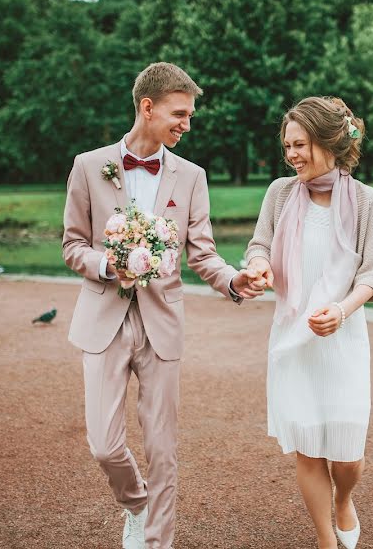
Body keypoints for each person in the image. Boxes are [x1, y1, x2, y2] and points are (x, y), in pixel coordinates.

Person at [62, 62, 264, 549]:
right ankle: (137, 503)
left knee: (162, 448)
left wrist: (234, 280)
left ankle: (157, 541)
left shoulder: (192, 176)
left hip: (163, 324)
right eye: (180, 113)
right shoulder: (89, 166)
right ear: (147, 107)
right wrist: (110, 265)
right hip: (103, 319)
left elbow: (202, 251)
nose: (187, 125)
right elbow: (72, 246)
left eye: (190, 116)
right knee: (104, 445)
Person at [245, 96, 373, 549]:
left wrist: (342, 311)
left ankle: (344, 498)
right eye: (287, 145)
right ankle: (326, 539)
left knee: (347, 455)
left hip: (343, 341)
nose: (291, 155)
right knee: (308, 448)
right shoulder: (280, 193)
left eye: (301, 144)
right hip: (292, 341)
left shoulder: (369, 201)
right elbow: (259, 244)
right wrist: (257, 265)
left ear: (330, 142)